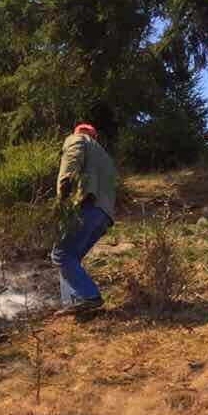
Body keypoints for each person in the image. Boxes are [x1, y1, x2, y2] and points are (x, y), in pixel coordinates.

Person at [52, 122, 118, 315]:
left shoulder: (78, 140)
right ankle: (74, 302)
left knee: (62, 255)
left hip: (87, 205)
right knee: (72, 257)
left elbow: (71, 160)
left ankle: (89, 297)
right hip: (104, 215)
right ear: (95, 136)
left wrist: (64, 187)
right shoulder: (105, 156)